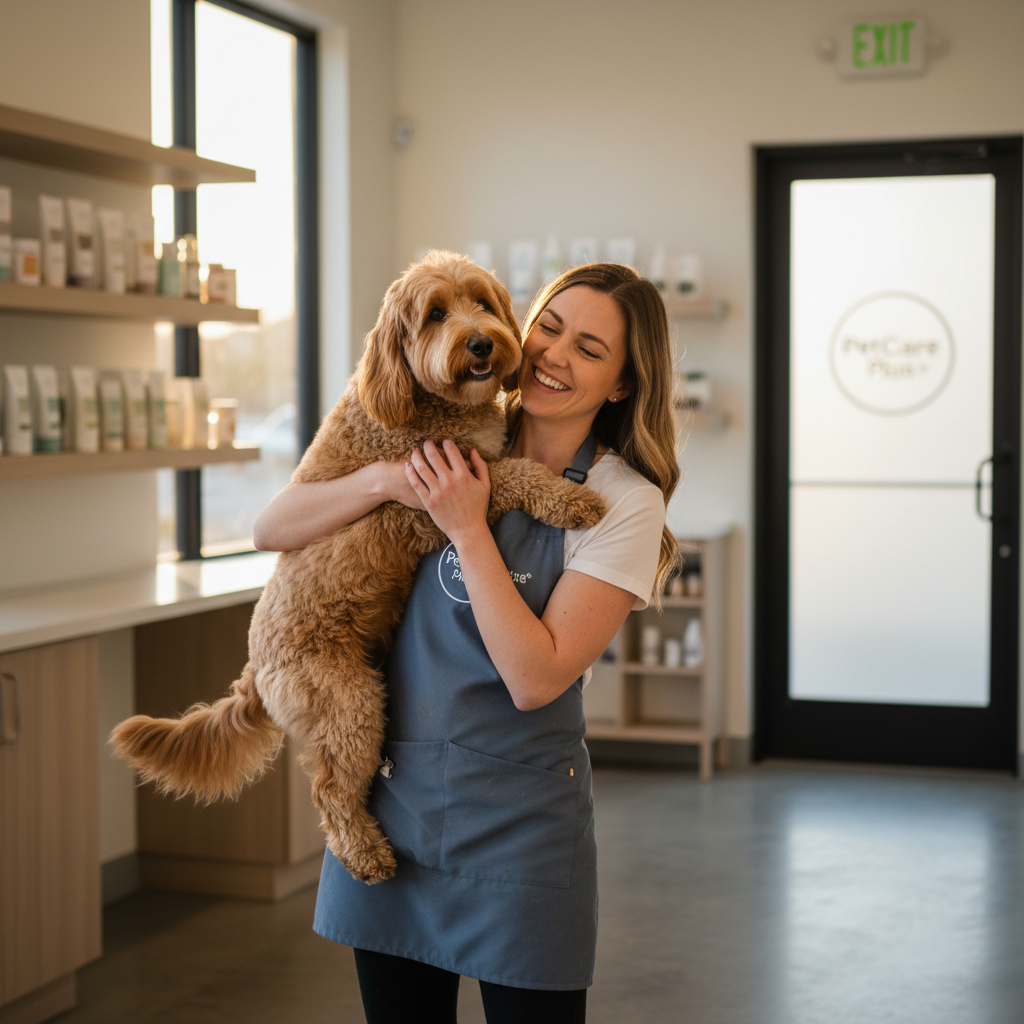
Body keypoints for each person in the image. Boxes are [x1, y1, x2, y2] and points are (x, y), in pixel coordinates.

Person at [253, 262, 681, 1024]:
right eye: (548, 327)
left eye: (589, 349)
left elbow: (535, 678)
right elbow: (273, 527)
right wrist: (388, 480)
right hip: (395, 800)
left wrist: (465, 523)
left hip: (517, 832)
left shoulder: (624, 503)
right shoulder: (452, 422)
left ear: (621, 383)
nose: (552, 355)